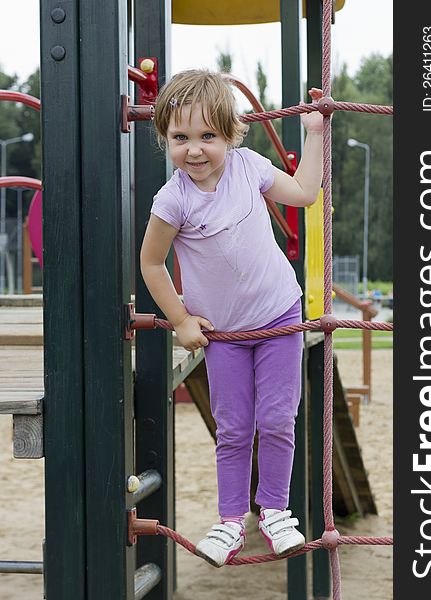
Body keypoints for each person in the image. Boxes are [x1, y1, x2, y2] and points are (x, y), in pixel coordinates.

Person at [140, 69, 323, 567]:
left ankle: (276, 511)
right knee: (235, 426)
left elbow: (305, 193)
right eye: (180, 138)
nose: (194, 150)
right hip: (224, 333)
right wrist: (180, 319)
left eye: (208, 137)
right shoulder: (173, 198)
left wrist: (313, 135)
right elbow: (151, 263)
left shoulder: (249, 168)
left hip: (279, 317)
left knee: (278, 418)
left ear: (230, 135)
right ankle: (230, 521)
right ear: (165, 139)